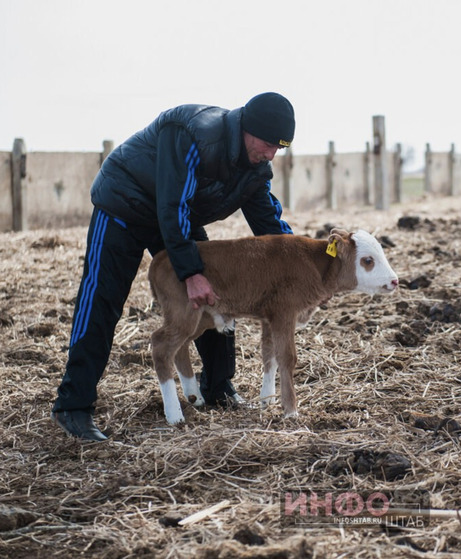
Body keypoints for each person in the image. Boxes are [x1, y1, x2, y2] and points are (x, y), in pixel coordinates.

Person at [51, 92, 295, 441]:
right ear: (247, 129)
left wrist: (306, 269)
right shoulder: (193, 133)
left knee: (219, 288)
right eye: (269, 143)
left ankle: (218, 386)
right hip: (126, 204)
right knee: (103, 298)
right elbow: (171, 203)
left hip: (177, 218)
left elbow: (271, 228)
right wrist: (191, 272)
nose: (271, 154)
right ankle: (73, 405)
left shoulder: (255, 169)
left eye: (279, 149)